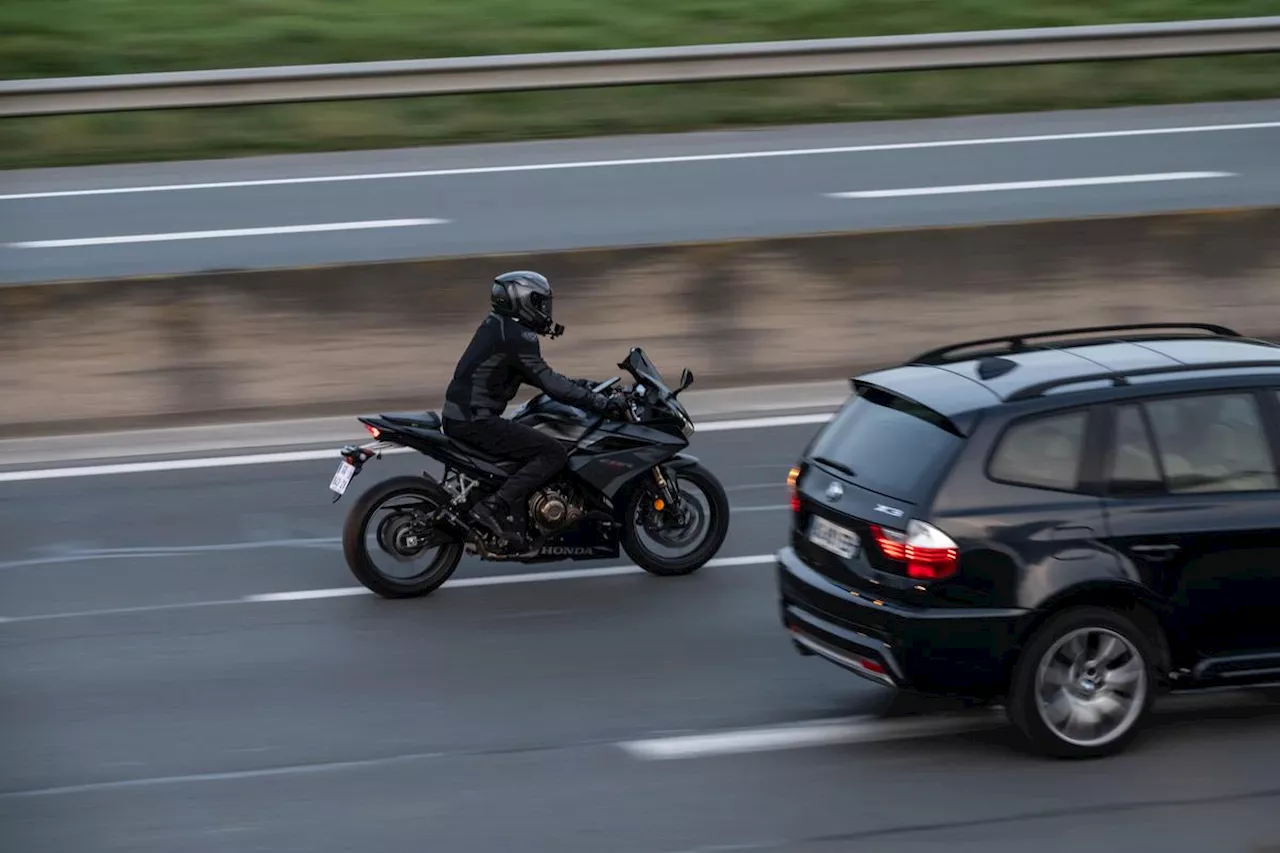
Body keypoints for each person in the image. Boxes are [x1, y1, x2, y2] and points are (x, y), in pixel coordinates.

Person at [441, 270, 625, 548]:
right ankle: (495, 506)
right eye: (539, 302)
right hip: (475, 421)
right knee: (553, 452)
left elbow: (542, 376)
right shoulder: (518, 335)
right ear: (522, 300)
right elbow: (549, 381)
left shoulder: (499, 326)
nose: (544, 310)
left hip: (464, 417)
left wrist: (590, 387)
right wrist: (600, 402)